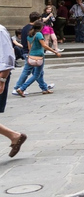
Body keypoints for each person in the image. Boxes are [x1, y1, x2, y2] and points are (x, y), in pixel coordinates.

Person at [0, 23, 27, 157]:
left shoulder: (0, 31)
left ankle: (15, 136)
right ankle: (15, 136)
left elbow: (8, 57)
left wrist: (2, 80)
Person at [14, 21, 60, 97]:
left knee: (39, 73)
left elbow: (29, 48)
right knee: (37, 75)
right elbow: (44, 45)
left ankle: (44, 88)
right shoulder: (39, 34)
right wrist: (55, 52)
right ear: (41, 27)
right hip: (39, 56)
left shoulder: (29, 35)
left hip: (31, 56)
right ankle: (22, 88)